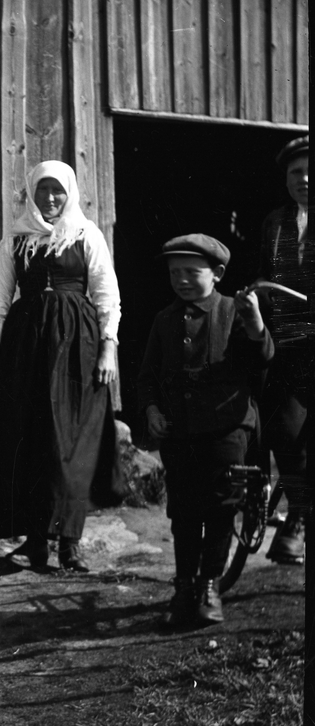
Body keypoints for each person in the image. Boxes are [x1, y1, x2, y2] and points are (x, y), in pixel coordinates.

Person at [0, 160, 121, 572]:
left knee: (71, 443)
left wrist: (109, 348)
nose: (51, 198)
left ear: (70, 193)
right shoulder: (15, 242)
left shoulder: (86, 235)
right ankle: (35, 540)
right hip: (27, 348)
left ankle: (70, 543)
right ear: (31, 195)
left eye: (58, 190)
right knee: (30, 437)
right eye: (43, 191)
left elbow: (106, 293)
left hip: (78, 346)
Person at [137, 234, 274, 627]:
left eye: (191, 272)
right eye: (173, 272)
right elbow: (147, 376)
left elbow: (262, 360)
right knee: (183, 511)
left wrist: (255, 322)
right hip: (180, 436)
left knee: (219, 510)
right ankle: (184, 586)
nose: (181, 279)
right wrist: (150, 411)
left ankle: (210, 585)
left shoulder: (235, 311)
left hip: (226, 432)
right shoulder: (164, 320)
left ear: (216, 274)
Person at [255, 135, 312, 565]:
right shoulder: (275, 222)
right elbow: (263, 274)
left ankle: (295, 523)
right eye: (296, 172)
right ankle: (299, 511)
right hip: (288, 346)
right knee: (285, 432)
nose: (305, 179)